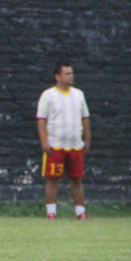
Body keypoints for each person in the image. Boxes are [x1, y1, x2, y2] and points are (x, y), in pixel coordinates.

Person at [36, 61, 91, 220]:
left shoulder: (78, 94)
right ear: (57, 76)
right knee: (53, 179)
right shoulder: (48, 95)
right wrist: (44, 141)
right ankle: (51, 212)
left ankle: (80, 212)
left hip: (75, 145)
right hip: (55, 145)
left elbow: (85, 118)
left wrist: (86, 140)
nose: (71, 76)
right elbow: (41, 120)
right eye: (67, 74)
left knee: (76, 179)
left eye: (72, 73)